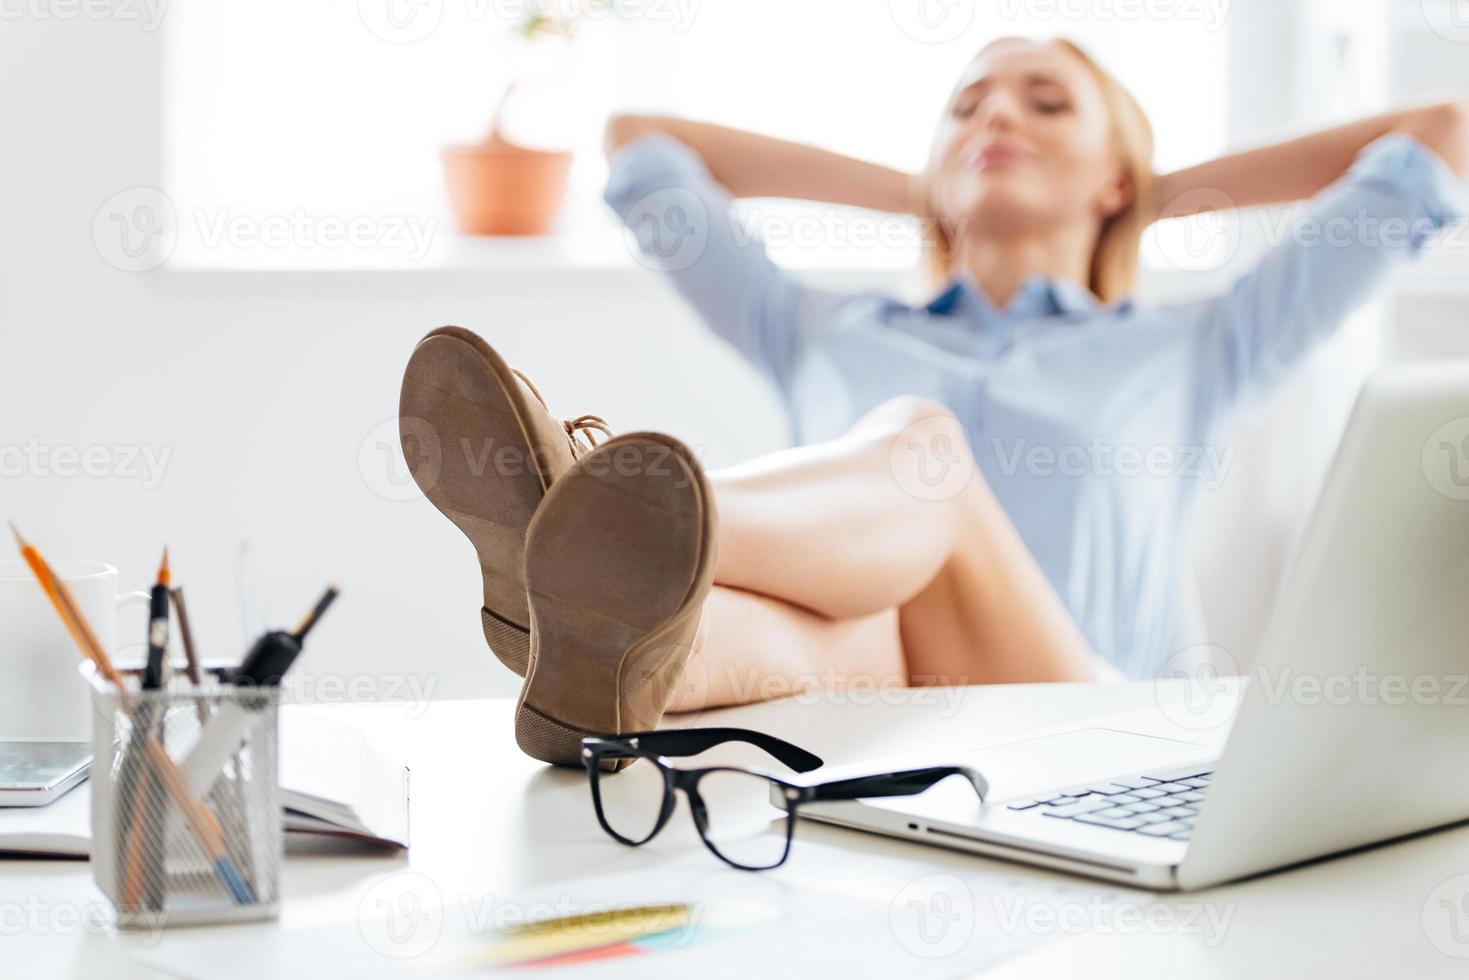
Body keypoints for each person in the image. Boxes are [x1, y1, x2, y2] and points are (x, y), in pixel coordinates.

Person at [402, 37, 1467, 766]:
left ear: (1114, 180)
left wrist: (1139, 194)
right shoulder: (822, 326)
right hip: (875, 722)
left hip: (1078, 723)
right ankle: (583, 650)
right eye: (966, 106)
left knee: (926, 454)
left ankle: (594, 508)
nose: (995, 113)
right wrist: (932, 187)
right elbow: (640, 144)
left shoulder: (1198, 345)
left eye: (1044, 104)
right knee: (815, 629)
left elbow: (1435, 133)